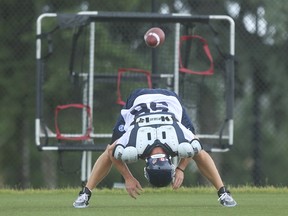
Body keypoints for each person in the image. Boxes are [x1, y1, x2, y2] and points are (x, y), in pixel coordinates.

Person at [73, 88, 237, 208]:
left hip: (164, 100)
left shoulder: (141, 143)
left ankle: (85, 194)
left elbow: (193, 146)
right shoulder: (135, 145)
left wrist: (180, 168)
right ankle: (223, 193)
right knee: (111, 150)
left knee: (196, 150)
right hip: (146, 99)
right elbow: (111, 152)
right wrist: (128, 178)